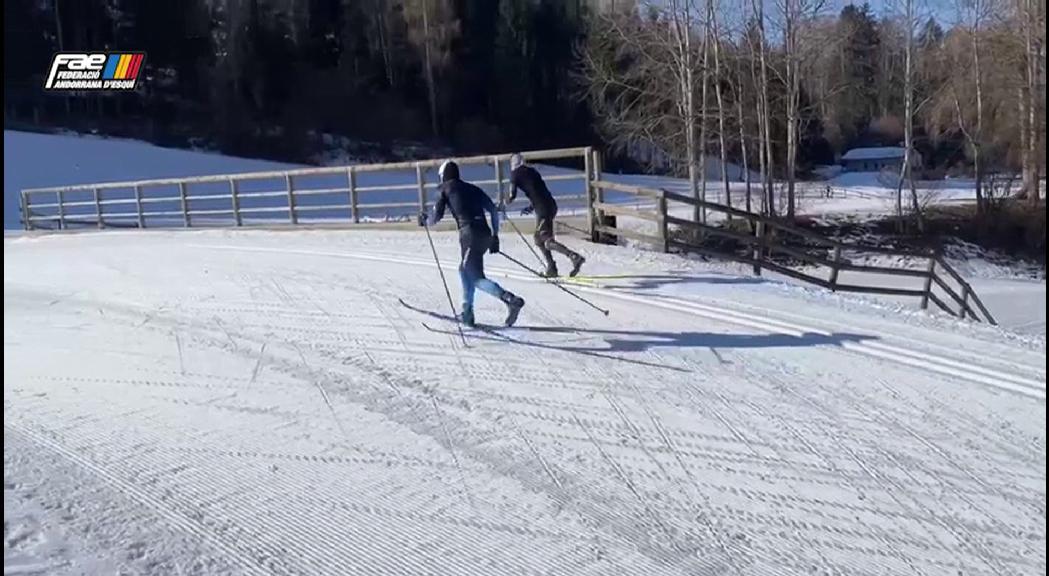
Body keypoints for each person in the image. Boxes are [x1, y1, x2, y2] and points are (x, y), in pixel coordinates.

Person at [419, 160, 525, 328]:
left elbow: (436, 217)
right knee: (464, 270)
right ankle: (467, 312)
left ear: (442, 176)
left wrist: (425, 220)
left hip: (469, 235)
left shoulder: (444, 189)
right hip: (484, 233)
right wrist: (495, 236)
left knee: (474, 277)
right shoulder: (473, 188)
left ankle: (509, 299)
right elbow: (492, 210)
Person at [507, 153, 585, 278]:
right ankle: (552, 268)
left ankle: (574, 257)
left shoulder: (514, 174)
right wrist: (531, 207)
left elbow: (512, 195)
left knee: (546, 241)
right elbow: (538, 190)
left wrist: (502, 204)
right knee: (539, 239)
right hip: (550, 206)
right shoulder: (532, 171)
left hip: (543, 209)